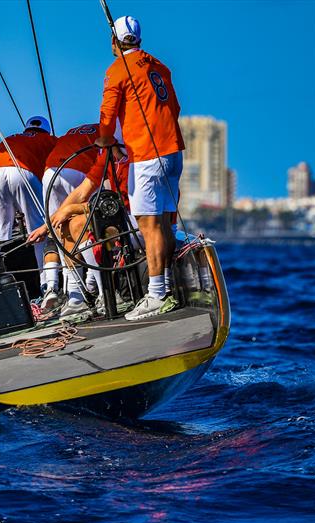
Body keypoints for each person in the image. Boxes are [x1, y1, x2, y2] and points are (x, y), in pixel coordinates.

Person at [95, 15, 184, 321]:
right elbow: (174, 107)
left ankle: (157, 295)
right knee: (167, 222)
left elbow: (107, 116)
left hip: (147, 154)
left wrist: (106, 142)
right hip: (173, 152)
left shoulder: (117, 70)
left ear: (114, 42)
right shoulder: (159, 66)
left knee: (149, 225)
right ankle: (170, 287)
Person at [29, 155, 131, 319]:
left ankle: (108, 294)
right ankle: (76, 298)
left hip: (133, 221)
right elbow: (80, 192)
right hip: (118, 221)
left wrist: (70, 210)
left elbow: (115, 204)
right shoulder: (106, 158)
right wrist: (46, 227)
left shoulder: (133, 161)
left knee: (79, 223)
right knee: (66, 224)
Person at [0, 116, 57, 269]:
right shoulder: (50, 140)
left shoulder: (13, 137)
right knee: (40, 233)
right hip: (23, 171)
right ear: (47, 131)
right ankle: (48, 285)